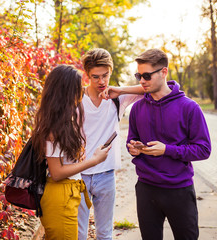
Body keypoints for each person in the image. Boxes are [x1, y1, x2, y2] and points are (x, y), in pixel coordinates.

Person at [126, 48, 211, 240]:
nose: (141, 81)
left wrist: (167, 150)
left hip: (179, 189)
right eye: (138, 75)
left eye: (146, 75)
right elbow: (130, 140)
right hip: (146, 188)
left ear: (163, 72)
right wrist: (134, 148)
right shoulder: (137, 108)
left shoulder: (189, 107)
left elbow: (203, 149)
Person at [31, 64, 112, 240]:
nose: (81, 92)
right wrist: (94, 160)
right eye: (78, 88)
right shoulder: (53, 127)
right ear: (67, 92)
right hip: (60, 196)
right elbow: (57, 172)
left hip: (69, 193)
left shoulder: (65, 120)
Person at [78, 48, 144, 240]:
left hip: (106, 175)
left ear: (111, 72)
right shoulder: (75, 98)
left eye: (105, 75)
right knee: (79, 234)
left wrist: (120, 90)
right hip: (79, 175)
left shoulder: (118, 99)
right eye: (95, 76)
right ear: (87, 75)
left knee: (105, 234)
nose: (101, 81)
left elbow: (155, 87)